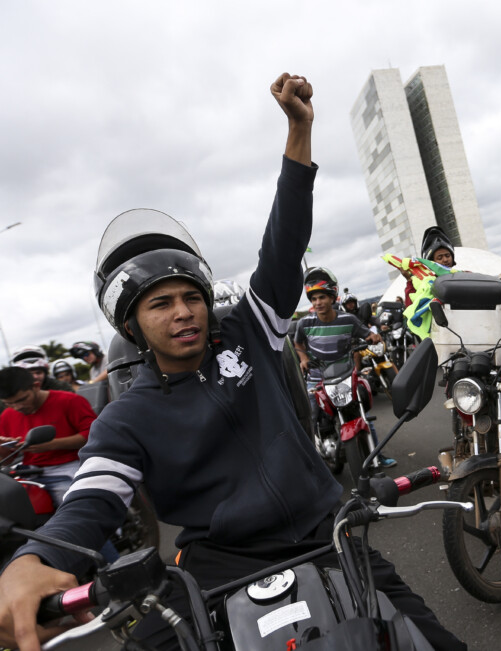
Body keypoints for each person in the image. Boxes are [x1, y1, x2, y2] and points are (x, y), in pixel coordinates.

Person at [0, 73, 461, 651]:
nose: (183, 313)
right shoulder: (126, 416)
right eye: (161, 304)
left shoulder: (249, 327)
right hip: (216, 565)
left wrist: (299, 131)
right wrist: (37, 558)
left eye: (191, 297)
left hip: (329, 532)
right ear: (131, 327)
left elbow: (285, 244)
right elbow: (92, 495)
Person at [294, 267, 396, 468]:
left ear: (333, 297)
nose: (318, 303)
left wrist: (373, 337)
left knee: (361, 413)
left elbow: (366, 334)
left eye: (322, 297)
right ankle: (312, 461)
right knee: (311, 416)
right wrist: (303, 359)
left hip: (345, 376)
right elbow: (298, 344)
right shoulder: (304, 323)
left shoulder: (348, 320)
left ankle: (377, 456)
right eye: (313, 299)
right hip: (316, 379)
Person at [0, 366, 95, 506]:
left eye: (22, 399)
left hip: (71, 467)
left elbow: (95, 435)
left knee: (81, 508)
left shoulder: (69, 401)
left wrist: (52, 444)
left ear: (36, 386)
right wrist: (4, 449)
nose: (17, 407)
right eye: (9, 403)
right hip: (29, 472)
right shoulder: (7, 415)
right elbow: (8, 460)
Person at [10, 347, 74, 393]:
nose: (35, 377)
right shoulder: (10, 394)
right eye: (29, 374)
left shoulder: (62, 388)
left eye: (38, 373)